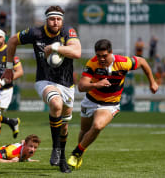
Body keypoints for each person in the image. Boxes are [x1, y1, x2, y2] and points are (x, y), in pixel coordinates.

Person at [2, 5, 81, 173]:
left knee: (64, 126)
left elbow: (77, 51)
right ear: (47, 19)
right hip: (45, 81)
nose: (56, 22)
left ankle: (61, 159)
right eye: (52, 18)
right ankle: (56, 148)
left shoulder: (68, 32)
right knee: (56, 104)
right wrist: (9, 67)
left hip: (67, 84)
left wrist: (55, 48)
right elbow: (12, 41)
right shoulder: (35, 33)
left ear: (62, 20)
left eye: (59, 19)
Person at [67, 39, 158, 169]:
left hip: (110, 104)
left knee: (97, 126)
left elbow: (142, 62)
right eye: (99, 56)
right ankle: (80, 154)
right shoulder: (92, 64)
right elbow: (81, 86)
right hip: (91, 101)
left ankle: (76, 153)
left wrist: (152, 82)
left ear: (111, 53)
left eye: (104, 55)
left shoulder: (123, 62)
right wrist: (97, 84)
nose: (101, 59)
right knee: (84, 130)